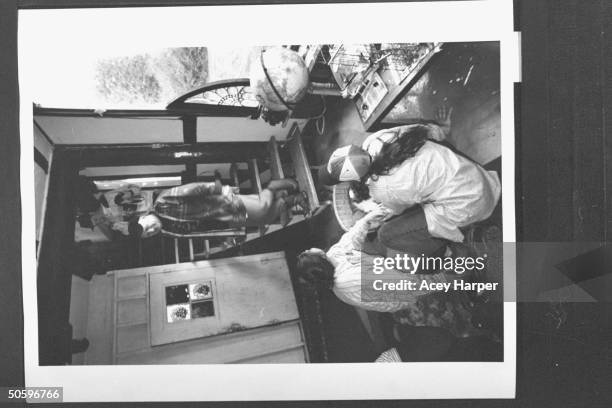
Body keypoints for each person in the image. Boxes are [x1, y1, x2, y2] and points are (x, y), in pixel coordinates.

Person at [318, 107, 501, 258]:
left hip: (469, 203)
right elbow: (425, 131)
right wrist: (442, 129)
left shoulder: (381, 188)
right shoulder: (375, 140)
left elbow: (395, 211)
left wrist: (370, 214)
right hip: (472, 175)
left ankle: (448, 251)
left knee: (388, 235)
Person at [296, 206, 456, 313]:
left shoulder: (332, 256)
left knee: (385, 233)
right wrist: (443, 279)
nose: (307, 249)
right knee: (389, 234)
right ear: (320, 260)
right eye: (308, 252)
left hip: (385, 270)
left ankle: (438, 236)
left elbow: (351, 239)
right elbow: (407, 286)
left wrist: (368, 219)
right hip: (404, 287)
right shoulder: (350, 280)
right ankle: (448, 252)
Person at [132, 178, 307, 238]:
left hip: (222, 202)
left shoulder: (162, 202)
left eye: (147, 227)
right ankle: (286, 199)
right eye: (148, 234)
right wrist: (229, 234)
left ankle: (274, 188)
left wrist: (220, 188)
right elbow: (199, 232)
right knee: (265, 219)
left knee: (262, 208)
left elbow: (193, 188)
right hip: (223, 220)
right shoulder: (167, 232)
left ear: (143, 217)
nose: (151, 230)